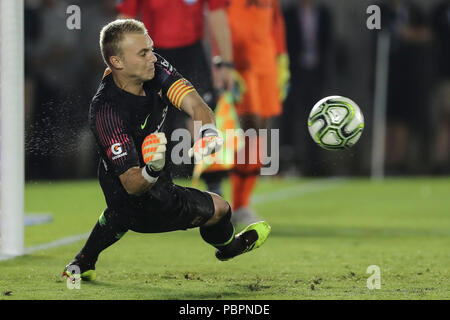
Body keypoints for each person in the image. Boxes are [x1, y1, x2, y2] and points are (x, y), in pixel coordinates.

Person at [62, 19, 270, 281]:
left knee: (117, 215)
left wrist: (207, 133)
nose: (153, 57)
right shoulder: (107, 111)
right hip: (142, 192)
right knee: (220, 209)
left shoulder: (153, 69)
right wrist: (154, 168)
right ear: (117, 62)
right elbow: (132, 184)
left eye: (150, 49)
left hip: (130, 178)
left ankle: (82, 262)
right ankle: (230, 247)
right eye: (143, 53)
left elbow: (196, 104)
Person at [116, 0, 234, 189]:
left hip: (192, 54)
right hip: (154, 56)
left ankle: (214, 187)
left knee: (200, 120)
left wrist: (227, 63)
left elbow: (216, 13)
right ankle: (153, 189)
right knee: (154, 125)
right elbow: (125, 21)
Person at [226, 0, 290, 225]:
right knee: (248, 128)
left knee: (261, 130)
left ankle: (242, 204)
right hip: (239, 63)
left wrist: (282, 59)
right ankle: (236, 201)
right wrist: (223, 61)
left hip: (266, 62)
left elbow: (276, 23)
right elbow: (216, 20)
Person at [281, 0, 333, 176]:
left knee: (317, 117)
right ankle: (289, 163)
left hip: (316, 73)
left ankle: (314, 164)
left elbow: (328, 43)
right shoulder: (288, 13)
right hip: (293, 72)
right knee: (290, 117)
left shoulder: (324, 14)